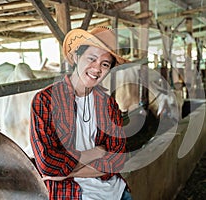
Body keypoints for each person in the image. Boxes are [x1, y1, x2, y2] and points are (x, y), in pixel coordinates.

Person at [30, 26, 132, 200]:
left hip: (116, 192)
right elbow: (48, 165)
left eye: (105, 64)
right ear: (77, 56)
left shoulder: (109, 105)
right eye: (91, 58)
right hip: (71, 195)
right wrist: (96, 152)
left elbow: (116, 161)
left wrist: (66, 173)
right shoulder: (45, 101)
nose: (97, 68)